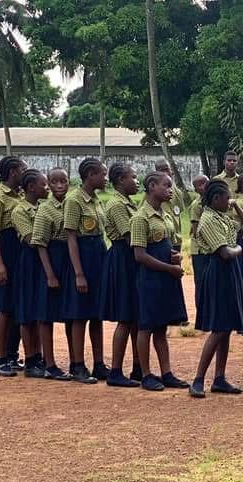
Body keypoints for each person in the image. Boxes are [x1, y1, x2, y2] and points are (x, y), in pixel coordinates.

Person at [131, 172, 188, 392]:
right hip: (150, 279)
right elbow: (140, 255)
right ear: (152, 186)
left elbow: (167, 244)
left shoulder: (164, 215)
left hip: (166, 276)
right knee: (146, 326)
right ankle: (146, 374)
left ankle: (166, 372)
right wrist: (169, 267)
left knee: (161, 327)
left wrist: (175, 256)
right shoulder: (140, 217)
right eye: (166, 186)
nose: (170, 190)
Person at [190, 180, 243, 398]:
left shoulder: (222, 216)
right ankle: (197, 379)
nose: (229, 200)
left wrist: (237, 206)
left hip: (230, 272)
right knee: (219, 328)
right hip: (219, 272)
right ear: (215, 199)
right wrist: (239, 248)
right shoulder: (208, 220)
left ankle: (220, 378)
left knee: (228, 326)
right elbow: (224, 252)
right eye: (226, 197)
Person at [63, 157, 108, 384]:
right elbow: (71, 237)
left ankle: (99, 364)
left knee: (96, 314)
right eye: (102, 173)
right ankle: (78, 365)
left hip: (98, 254)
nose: (105, 178)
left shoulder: (97, 200)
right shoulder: (74, 200)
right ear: (90, 175)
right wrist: (78, 272)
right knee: (80, 313)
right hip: (82, 255)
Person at [30, 168, 73, 380]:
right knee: (46, 315)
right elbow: (39, 244)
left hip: (69, 260)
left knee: (70, 314)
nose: (58, 186)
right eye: (53, 182)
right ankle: (49, 363)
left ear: (69, 182)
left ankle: (76, 362)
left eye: (63, 181)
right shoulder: (45, 210)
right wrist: (50, 274)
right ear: (48, 183)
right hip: (51, 261)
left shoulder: (72, 205)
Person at [101, 163, 142, 387]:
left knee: (135, 316)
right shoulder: (117, 204)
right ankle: (116, 371)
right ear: (119, 181)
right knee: (125, 317)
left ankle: (138, 366)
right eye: (133, 177)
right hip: (123, 258)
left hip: (130, 258)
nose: (137, 181)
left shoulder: (128, 202)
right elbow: (131, 237)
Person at [0, 155, 26, 376]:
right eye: (23, 169)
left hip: (22, 253)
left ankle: (12, 354)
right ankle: (0, 357)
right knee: (4, 308)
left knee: (19, 307)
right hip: (6, 249)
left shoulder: (22, 195)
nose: (25, 172)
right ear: (13, 172)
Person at [12, 169, 47, 378]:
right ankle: (31, 358)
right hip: (29, 262)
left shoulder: (43, 207)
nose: (48, 188)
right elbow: (30, 239)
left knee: (40, 311)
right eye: (44, 184)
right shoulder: (20, 211)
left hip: (43, 262)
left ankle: (40, 355)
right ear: (32, 187)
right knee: (26, 312)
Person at [188, 173, 210, 319]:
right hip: (200, 250)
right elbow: (195, 231)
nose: (205, 186)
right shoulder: (197, 205)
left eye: (206, 182)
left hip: (210, 250)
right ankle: (201, 316)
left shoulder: (212, 202)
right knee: (201, 283)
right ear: (196, 189)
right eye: (200, 185)